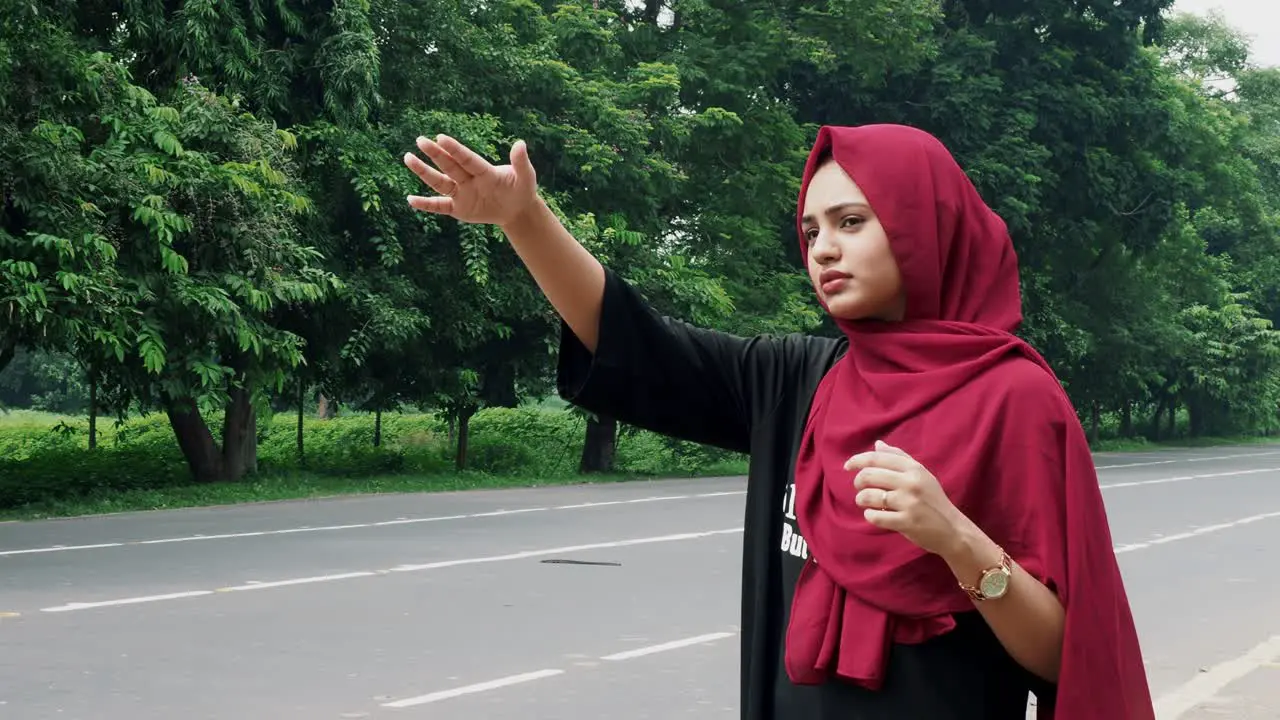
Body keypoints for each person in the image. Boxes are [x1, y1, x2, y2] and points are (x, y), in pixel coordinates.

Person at [403, 124, 1155, 719]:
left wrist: (955, 539)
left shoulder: (1015, 401)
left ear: (924, 225)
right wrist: (523, 218)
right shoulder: (799, 380)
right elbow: (636, 340)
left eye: (851, 221)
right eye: (810, 232)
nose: (824, 248)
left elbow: (1066, 656)